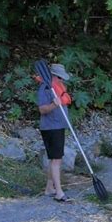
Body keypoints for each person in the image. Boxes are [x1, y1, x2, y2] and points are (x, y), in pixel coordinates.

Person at [37, 63, 72, 202]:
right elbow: (42, 109)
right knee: (56, 160)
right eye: (60, 78)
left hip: (58, 127)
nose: (62, 81)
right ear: (53, 76)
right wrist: (54, 104)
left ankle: (49, 188)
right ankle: (59, 192)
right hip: (50, 128)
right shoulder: (45, 89)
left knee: (55, 159)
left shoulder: (56, 88)